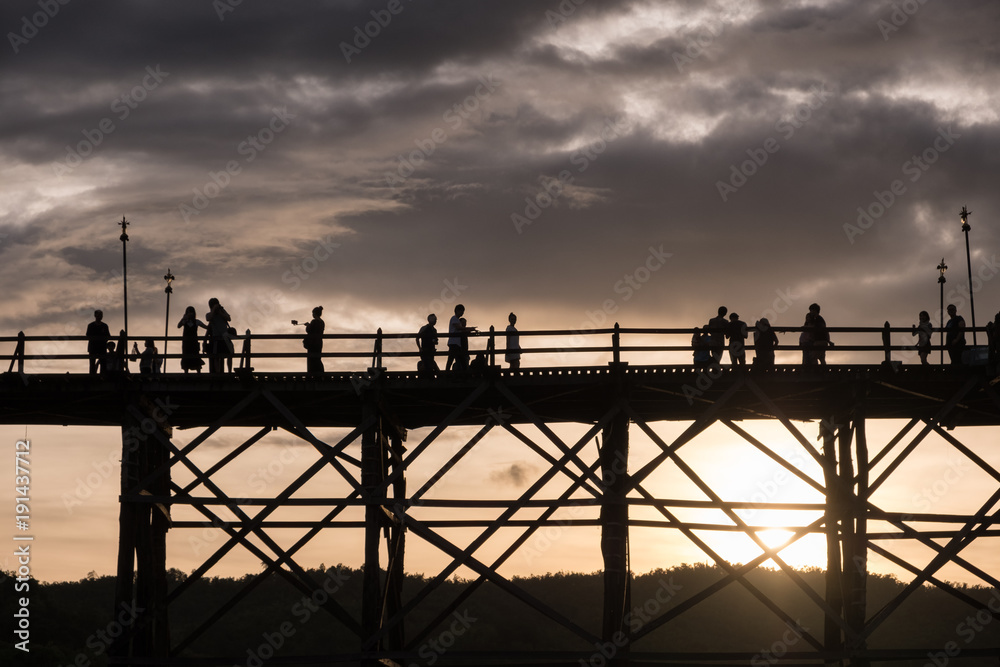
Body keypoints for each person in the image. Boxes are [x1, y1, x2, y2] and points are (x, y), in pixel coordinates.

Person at [205, 297, 231, 373]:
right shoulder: (210, 314)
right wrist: (213, 310)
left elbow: (229, 318)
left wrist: (220, 312)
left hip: (225, 337)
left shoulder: (222, 311)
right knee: (217, 357)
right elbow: (208, 318)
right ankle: (218, 373)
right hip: (216, 338)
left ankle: (229, 372)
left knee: (229, 354)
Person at [446, 304, 476, 372]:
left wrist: (470, 329)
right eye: (462, 311)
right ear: (457, 310)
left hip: (455, 343)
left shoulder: (456, 319)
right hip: (454, 343)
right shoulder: (454, 318)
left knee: (453, 359)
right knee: (456, 359)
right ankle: (462, 374)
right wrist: (470, 329)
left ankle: (447, 374)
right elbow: (459, 328)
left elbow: (461, 329)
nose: (462, 313)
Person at [177, 306, 206, 373]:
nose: (190, 313)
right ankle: (186, 374)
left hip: (194, 343)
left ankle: (199, 374)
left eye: (191, 312)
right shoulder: (185, 321)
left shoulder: (197, 322)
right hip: (186, 343)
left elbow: (205, 327)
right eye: (188, 312)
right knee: (186, 358)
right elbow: (178, 326)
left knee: (196, 358)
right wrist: (183, 318)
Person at [86, 310, 111, 374]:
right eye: (99, 315)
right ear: (95, 315)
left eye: (101, 315)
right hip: (93, 347)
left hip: (101, 347)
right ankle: (92, 376)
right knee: (92, 363)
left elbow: (108, 336)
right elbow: (87, 336)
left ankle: (102, 375)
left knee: (103, 363)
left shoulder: (105, 326)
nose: (100, 316)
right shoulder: (90, 326)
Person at [303, 306, 325, 376]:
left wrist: (308, 325)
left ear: (314, 313)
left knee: (312, 359)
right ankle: (320, 373)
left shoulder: (314, 321)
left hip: (312, 343)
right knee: (317, 358)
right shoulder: (322, 322)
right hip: (319, 342)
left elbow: (309, 330)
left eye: (312, 313)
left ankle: (311, 374)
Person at [416, 314, 439, 378]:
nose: (435, 320)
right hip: (425, 350)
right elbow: (417, 338)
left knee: (430, 366)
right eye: (434, 319)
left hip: (431, 351)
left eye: (436, 319)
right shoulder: (424, 328)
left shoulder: (434, 330)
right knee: (426, 365)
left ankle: (428, 379)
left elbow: (436, 341)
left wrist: (435, 342)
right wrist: (420, 348)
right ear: (429, 320)